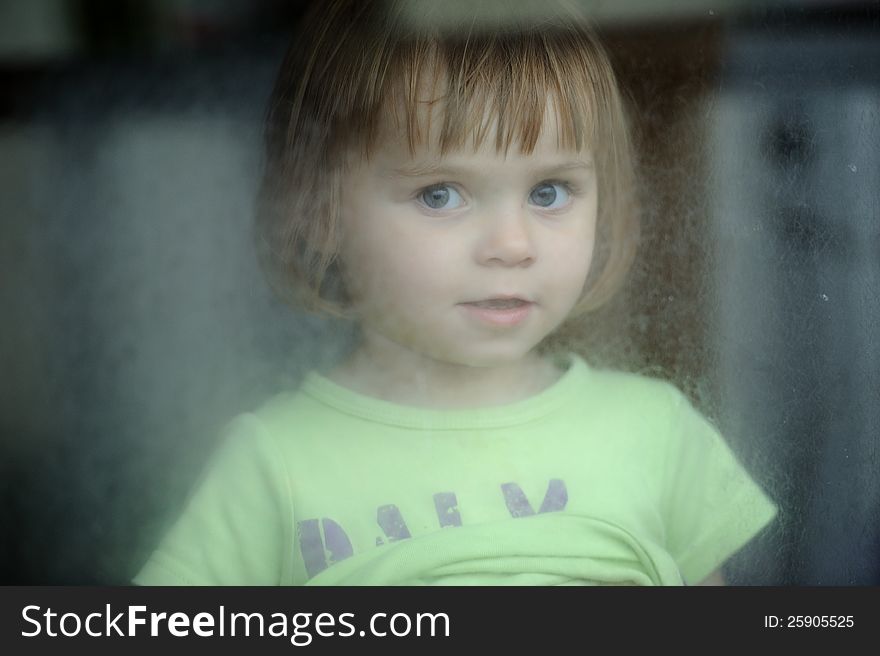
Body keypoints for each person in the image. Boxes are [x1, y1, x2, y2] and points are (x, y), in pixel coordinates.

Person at [134, 0, 776, 586]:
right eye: (440, 194)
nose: (512, 244)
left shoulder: (657, 432)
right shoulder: (270, 464)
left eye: (549, 191)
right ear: (320, 210)